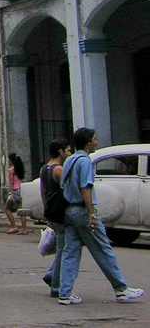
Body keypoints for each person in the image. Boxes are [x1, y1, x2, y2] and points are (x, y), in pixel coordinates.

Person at [57, 128, 144, 306]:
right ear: (88, 142)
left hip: (69, 211)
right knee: (103, 250)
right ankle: (121, 289)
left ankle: (64, 292)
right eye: (94, 139)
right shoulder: (84, 162)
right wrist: (92, 213)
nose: (96, 142)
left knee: (70, 252)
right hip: (82, 211)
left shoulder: (70, 160)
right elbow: (86, 188)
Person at [40, 138, 71, 298]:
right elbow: (69, 190)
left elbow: (43, 192)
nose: (69, 153)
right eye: (68, 150)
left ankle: (52, 273)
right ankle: (55, 282)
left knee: (63, 246)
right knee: (63, 249)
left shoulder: (44, 168)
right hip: (60, 213)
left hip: (51, 211)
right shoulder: (58, 169)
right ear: (60, 151)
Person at [4, 152, 29, 234]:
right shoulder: (20, 169)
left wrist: (11, 193)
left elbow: (11, 182)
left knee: (6, 208)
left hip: (15, 190)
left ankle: (14, 226)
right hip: (21, 189)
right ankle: (24, 229)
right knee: (21, 210)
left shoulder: (11, 170)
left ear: (11, 160)